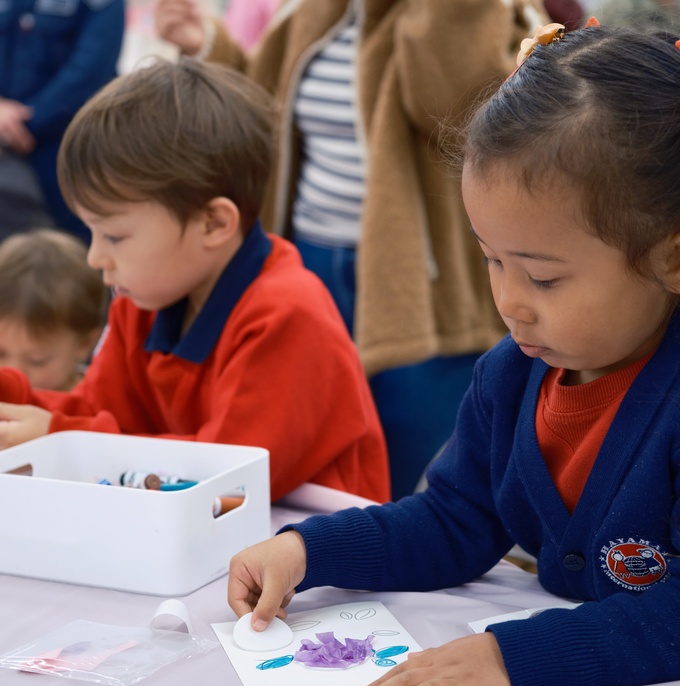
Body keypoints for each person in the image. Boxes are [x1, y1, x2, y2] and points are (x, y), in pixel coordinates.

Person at [226, 24, 680, 686]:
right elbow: (456, 519)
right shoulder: (514, 373)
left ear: (679, 260)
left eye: (545, 278)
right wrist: (309, 549)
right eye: (493, 261)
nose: (509, 303)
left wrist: (514, 658)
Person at [154, 0, 545, 498]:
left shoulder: (466, 12)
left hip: (412, 281)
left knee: (404, 460)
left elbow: (459, 106)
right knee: (316, 455)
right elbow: (266, 101)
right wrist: (209, 47)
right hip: (310, 261)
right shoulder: (315, 14)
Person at [0, 58, 390, 504]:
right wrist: (17, 402)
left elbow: (228, 476)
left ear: (213, 223)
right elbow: (100, 415)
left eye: (114, 235)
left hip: (315, 557)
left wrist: (60, 435)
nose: (94, 257)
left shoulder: (288, 314)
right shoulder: (143, 300)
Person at [0, 0, 125, 240]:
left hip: (73, 151)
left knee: (79, 253)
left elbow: (90, 71)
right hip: (7, 152)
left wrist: (18, 124)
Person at [0, 229, 105, 391]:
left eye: (36, 361)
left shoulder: (94, 405)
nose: (12, 372)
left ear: (85, 344)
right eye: (0, 354)